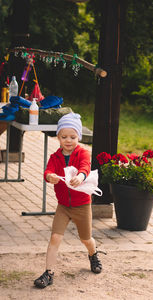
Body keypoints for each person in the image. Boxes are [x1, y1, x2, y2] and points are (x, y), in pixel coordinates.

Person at [34, 112, 104, 289]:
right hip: (63, 206)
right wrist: (50, 177)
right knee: (55, 238)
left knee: (86, 239)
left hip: (82, 205)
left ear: (78, 136)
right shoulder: (55, 157)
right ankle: (48, 273)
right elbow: (47, 172)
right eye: (64, 136)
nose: (68, 140)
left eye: (73, 137)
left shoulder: (83, 153)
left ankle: (93, 254)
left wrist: (80, 177)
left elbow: (85, 167)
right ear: (58, 137)